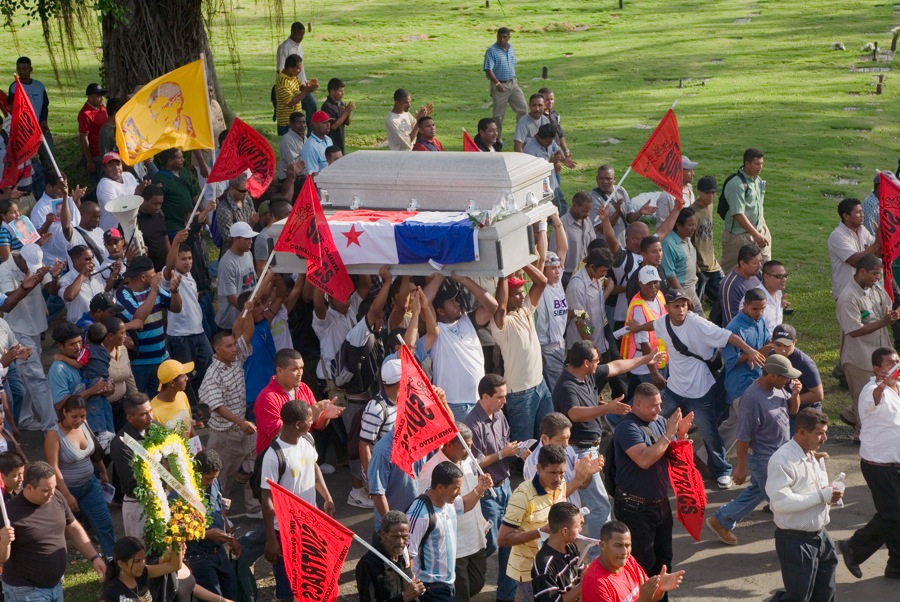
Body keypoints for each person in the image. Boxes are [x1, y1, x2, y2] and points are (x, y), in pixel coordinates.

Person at [553, 340, 657, 539]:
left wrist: (645, 358)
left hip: (589, 448)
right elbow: (574, 413)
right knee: (599, 506)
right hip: (579, 451)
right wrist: (607, 408)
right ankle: (600, 558)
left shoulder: (587, 374)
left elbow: (617, 366)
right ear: (585, 363)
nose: (599, 363)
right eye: (596, 360)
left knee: (588, 504)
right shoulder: (567, 386)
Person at [707, 355, 800, 546]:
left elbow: (792, 411)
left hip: (780, 453)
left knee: (758, 491)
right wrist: (741, 467)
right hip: (764, 459)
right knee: (781, 503)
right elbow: (743, 437)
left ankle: (721, 520)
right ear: (772, 375)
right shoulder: (751, 399)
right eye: (785, 377)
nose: (789, 380)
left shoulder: (780, 388)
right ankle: (795, 540)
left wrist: (796, 395)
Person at [611, 383, 692, 597]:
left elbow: (673, 457)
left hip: (660, 505)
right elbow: (644, 459)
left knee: (664, 563)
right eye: (653, 406)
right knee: (642, 568)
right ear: (637, 403)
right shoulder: (627, 428)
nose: (659, 410)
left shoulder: (660, 423)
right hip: (635, 508)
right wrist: (668, 435)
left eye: (660, 404)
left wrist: (681, 436)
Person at [260, 400, 335, 602]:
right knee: (287, 584)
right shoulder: (273, 456)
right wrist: (271, 538)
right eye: (309, 419)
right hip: (284, 531)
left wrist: (326, 497)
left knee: (311, 576)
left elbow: (314, 467)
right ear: (297, 424)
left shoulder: (307, 440)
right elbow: (266, 500)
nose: (313, 422)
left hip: (309, 525)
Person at [0, 461, 106, 599]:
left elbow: (73, 528)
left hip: (55, 586)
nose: (51, 493)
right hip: (26, 591)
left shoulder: (57, 496)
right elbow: (2, 559)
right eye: (45, 490)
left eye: (53, 487)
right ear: (29, 488)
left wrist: (94, 557)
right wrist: (4, 542)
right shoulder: (9, 513)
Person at [838, 346, 900, 581]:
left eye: (898, 361)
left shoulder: (898, 389)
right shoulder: (871, 390)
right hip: (879, 466)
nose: (896, 365)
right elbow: (873, 401)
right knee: (892, 515)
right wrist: (882, 385)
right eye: (890, 363)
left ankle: (896, 565)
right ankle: (854, 547)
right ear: (877, 369)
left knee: (897, 516)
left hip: (897, 464)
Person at [463, 373, 526, 602]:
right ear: (485, 396)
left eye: (505, 396)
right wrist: (502, 454)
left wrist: (520, 451)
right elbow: (473, 462)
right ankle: (462, 577)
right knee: (487, 544)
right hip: (487, 493)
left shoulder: (499, 415)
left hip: (505, 487)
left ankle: (505, 597)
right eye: (500, 397)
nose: (504, 401)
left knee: (509, 545)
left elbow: (505, 444)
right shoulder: (471, 423)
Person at [766, 408, 839, 602]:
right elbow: (780, 502)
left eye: (825, 432)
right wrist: (822, 496)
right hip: (795, 541)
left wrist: (831, 495)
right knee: (798, 597)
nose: (824, 438)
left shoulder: (811, 454)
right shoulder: (782, 460)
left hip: (821, 536)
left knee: (826, 591)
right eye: (819, 433)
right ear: (801, 432)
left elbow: (814, 490)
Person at [417, 424, 491, 602]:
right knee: (460, 593)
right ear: (449, 444)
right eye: (465, 445)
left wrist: (481, 519)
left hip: (475, 536)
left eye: (470, 444)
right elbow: (430, 507)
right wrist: (478, 491)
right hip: (454, 545)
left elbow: (469, 495)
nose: (469, 450)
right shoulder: (432, 469)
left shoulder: (467, 460)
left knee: (477, 583)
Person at [200, 305, 261, 519]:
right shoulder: (212, 374)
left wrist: (249, 312)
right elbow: (217, 407)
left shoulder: (236, 358)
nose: (234, 348)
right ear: (217, 349)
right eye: (229, 346)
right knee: (220, 477)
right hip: (224, 435)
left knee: (256, 466)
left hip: (243, 427)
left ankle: (254, 508)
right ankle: (216, 516)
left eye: (234, 344)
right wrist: (240, 422)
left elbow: (247, 334)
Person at [499, 444, 581, 601]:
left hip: (554, 566)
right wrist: (541, 531)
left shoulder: (560, 485)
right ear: (538, 468)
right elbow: (503, 539)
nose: (558, 479)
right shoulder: (522, 496)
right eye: (552, 473)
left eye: (562, 473)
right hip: (529, 571)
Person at [44, 394, 116, 559]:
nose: (78, 420)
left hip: (90, 484)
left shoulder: (85, 425)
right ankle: (55, 562)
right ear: (64, 413)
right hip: (67, 488)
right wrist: (67, 495)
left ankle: (112, 560)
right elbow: (53, 467)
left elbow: (94, 453)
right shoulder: (54, 435)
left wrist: (103, 471)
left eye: (82, 416)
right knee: (60, 530)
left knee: (105, 523)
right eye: (74, 416)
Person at [0, 243, 64, 430]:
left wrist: (55, 276)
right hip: (18, 330)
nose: (32, 270)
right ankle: (51, 425)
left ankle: (25, 418)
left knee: (26, 376)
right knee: (36, 377)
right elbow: (7, 305)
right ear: (20, 259)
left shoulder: (35, 260)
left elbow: (51, 291)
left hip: (36, 326)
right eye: (28, 265)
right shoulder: (4, 270)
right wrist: (25, 286)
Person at [836, 254, 897, 440]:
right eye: (874, 274)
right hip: (859, 358)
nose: (878, 278)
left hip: (881, 353)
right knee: (864, 397)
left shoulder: (875, 287)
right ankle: (861, 434)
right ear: (862, 272)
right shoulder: (848, 298)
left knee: (883, 392)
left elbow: (887, 305)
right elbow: (853, 331)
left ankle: (850, 414)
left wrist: (892, 315)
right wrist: (884, 322)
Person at [423, 274, 498, 419]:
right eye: (451, 302)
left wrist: (465, 280)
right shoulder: (435, 329)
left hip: (480, 401)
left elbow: (492, 306)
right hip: (453, 405)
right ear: (440, 311)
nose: (457, 303)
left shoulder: (467, 319)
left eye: (456, 299)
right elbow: (424, 300)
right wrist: (441, 273)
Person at [491, 267, 553, 442]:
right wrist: (503, 271)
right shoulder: (500, 324)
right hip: (520, 393)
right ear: (506, 295)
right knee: (523, 447)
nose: (522, 296)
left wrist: (521, 261)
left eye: (522, 292)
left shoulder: (525, 309)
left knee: (547, 436)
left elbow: (542, 282)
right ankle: (522, 470)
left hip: (540, 385)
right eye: (517, 294)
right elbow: (501, 308)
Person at [164, 231, 213, 426]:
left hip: (198, 332)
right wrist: (175, 241)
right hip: (180, 336)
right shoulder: (171, 276)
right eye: (182, 259)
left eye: (190, 258)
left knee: (207, 365)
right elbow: (168, 266)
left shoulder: (190, 275)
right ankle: (191, 412)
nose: (187, 262)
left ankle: (193, 400)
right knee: (183, 374)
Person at [116, 255, 182, 395]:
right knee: (140, 403)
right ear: (143, 277)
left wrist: (175, 291)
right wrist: (153, 292)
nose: (156, 277)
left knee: (164, 399)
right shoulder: (123, 294)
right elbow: (138, 320)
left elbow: (176, 308)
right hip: (140, 363)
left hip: (162, 358)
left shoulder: (155, 290)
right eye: (153, 275)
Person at [581, 521, 685, 602]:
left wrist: (660, 588)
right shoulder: (596, 584)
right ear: (603, 545)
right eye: (618, 545)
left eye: (627, 545)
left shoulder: (628, 560)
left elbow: (650, 598)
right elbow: (644, 599)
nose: (624, 552)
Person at [185, 449, 239, 600]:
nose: (211, 482)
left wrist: (230, 537)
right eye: (208, 478)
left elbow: (220, 510)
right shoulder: (182, 493)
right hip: (199, 557)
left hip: (219, 551)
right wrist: (207, 534)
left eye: (214, 477)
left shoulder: (214, 482)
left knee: (231, 594)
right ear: (196, 470)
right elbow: (178, 531)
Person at [357, 359, 402, 508]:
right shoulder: (376, 409)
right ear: (399, 383)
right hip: (382, 470)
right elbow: (364, 445)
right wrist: (372, 479)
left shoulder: (401, 401)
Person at [619, 265, 668, 399]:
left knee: (636, 397)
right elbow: (644, 343)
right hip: (647, 365)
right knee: (654, 399)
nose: (653, 286)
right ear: (640, 284)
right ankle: (615, 416)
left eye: (655, 282)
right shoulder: (639, 308)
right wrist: (654, 373)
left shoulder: (659, 296)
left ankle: (615, 417)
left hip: (657, 359)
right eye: (648, 283)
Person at [356, 510, 427, 602]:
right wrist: (403, 598)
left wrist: (415, 592)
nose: (401, 542)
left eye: (405, 537)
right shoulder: (368, 565)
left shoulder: (402, 556)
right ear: (383, 535)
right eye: (395, 537)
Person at [720, 147, 771, 272]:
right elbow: (738, 214)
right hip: (739, 237)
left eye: (762, 164)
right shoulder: (737, 184)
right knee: (731, 272)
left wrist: (763, 228)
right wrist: (755, 234)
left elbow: (758, 205)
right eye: (757, 164)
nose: (760, 167)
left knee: (765, 270)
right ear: (747, 164)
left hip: (759, 233)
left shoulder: (757, 181)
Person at [597, 211, 649, 331]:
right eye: (644, 238)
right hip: (625, 318)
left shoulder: (649, 253)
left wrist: (677, 210)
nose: (649, 241)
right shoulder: (624, 258)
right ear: (632, 239)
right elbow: (612, 240)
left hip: (646, 314)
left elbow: (663, 231)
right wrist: (605, 221)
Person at [110, 397, 154, 538]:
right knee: (141, 552)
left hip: (159, 497)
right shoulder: (121, 443)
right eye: (143, 414)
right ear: (130, 418)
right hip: (138, 504)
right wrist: (161, 468)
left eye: (150, 411)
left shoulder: (153, 428)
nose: (150, 417)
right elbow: (133, 481)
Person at [100, 536, 185, 602]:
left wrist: (177, 542)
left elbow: (174, 566)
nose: (142, 564)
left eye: (143, 559)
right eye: (137, 561)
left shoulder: (143, 572)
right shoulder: (111, 593)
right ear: (121, 564)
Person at [523, 413, 582, 506]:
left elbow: (582, 486)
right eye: (560, 439)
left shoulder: (568, 449)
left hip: (573, 514)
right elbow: (548, 499)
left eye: (568, 438)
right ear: (545, 438)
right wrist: (579, 479)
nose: (566, 444)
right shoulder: (535, 462)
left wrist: (587, 472)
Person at [531, 501, 583, 602]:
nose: (580, 529)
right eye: (577, 527)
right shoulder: (545, 564)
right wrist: (583, 585)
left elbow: (580, 575)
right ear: (564, 531)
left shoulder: (571, 548)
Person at [828, 197, 878, 300]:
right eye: (858, 212)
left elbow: (877, 252)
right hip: (846, 294)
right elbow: (856, 261)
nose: (862, 215)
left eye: (862, 211)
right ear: (846, 216)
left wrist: (884, 240)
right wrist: (878, 242)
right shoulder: (837, 236)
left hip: (864, 291)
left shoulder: (862, 230)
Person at [483, 27, 527, 138]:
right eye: (499, 37)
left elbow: (513, 63)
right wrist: (497, 83)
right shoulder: (491, 51)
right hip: (500, 85)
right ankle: (496, 139)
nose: (502, 39)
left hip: (512, 83)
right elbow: (488, 69)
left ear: (509, 37)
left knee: (523, 108)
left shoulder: (511, 48)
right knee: (498, 116)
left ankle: (521, 135)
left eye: (504, 37)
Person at [536, 246, 569, 390]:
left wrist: (557, 223)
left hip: (559, 344)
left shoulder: (558, 283)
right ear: (543, 270)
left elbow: (564, 248)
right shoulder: (540, 287)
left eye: (558, 267)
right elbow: (539, 262)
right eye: (553, 268)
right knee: (556, 388)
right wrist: (543, 227)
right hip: (545, 346)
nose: (558, 271)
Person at [215, 221, 258, 333]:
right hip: (231, 323)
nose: (251, 241)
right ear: (235, 239)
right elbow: (232, 298)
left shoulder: (248, 254)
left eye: (251, 238)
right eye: (246, 239)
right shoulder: (227, 263)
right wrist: (249, 311)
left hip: (247, 317)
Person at [660, 207, 702, 312]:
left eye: (694, 224)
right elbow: (669, 274)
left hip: (692, 290)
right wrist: (683, 297)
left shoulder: (687, 237)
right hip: (680, 293)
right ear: (678, 225)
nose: (694, 228)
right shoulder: (669, 244)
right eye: (690, 225)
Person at [151, 148, 200, 236]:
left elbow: (194, 194)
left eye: (182, 157)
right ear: (169, 161)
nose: (183, 160)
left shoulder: (184, 172)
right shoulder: (159, 179)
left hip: (190, 220)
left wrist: (203, 212)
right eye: (179, 158)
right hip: (173, 225)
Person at [692, 175, 725, 307]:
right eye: (707, 193)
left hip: (712, 263)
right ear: (699, 191)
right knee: (696, 304)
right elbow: (687, 241)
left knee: (722, 297)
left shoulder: (710, 207)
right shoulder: (692, 212)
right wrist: (695, 266)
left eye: (713, 193)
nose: (710, 196)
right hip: (699, 266)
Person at [551, 192, 595, 285]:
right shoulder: (561, 225)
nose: (587, 214)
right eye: (584, 211)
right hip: (568, 276)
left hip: (587, 273)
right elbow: (554, 254)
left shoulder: (587, 221)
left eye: (589, 211)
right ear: (574, 205)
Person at [713, 243, 762, 327]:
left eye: (760, 261)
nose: (759, 266)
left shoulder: (756, 273)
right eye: (755, 263)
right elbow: (731, 321)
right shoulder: (731, 286)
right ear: (742, 264)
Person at [94, 152, 142, 231]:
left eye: (118, 164)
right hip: (113, 231)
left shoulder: (128, 175)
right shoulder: (105, 184)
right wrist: (137, 194)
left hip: (132, 226)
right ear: (104, 168)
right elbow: (117, 210)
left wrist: (146, 191)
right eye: (111, 165)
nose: (116, 168)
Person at [591, 165, 637, 247]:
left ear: (614, 179)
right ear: (596, 179)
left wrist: (641, 212)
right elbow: (601, 229)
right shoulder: (594, 198)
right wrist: (618, 212)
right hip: (606, 247)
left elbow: (629, 218)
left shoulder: (621, 190)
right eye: (601, 178)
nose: (605, 182)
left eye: (608, 179)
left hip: (623, 245)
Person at [59, 244, 107, 323]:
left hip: (98, 323)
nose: (92, 261)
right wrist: (82, 274)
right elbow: (69, 296)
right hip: (79, 325)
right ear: (75, 261)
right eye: (87, 259)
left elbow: (104, 292)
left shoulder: (96, 274)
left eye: (92, 257)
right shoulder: (65, 279)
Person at [151, 359, 195, 438]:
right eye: (183, 376)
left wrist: (200, 447)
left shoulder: (182, 395)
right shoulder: (154, 413)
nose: (187, 379)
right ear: (172, 383)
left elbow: (189, 425)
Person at [275, 54, 317, 136]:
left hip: (296, 120)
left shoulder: (292, 76)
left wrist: (309, 87)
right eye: (298, 68)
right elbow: (290, 102)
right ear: (290, 68)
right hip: (287, 123)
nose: (300, 71)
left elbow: (300, 87)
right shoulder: (283, 82)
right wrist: (306, 91)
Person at [78, 83, 108, 189]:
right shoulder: (85, 114)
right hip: (95, 154)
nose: (101, 98)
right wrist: (89, 160)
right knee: (98, 186)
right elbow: (83, 138)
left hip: (105, 150)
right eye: (99, 96)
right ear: (91, 97)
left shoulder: (102, 107)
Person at [136, 184, 170, 271]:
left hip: (164, 268)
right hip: (147, 270)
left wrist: (171, 261)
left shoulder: (160, 215)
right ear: (143, 200)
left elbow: (165, 239)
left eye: (160, 203)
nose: (158, 207)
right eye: (154, 203)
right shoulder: (135, 220)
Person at [655, 156, 697, 224]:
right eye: (689, 170)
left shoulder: (689, 188)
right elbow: (662, 225)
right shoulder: (666, 196)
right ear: (679, 172)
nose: (693, 174)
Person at [752, 260, 788, 336]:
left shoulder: (778, 292)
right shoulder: (754, 298)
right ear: (766, 277)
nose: (784, 279)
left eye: (785, 275)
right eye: (779, 276)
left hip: (778, 340)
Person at [321, 78, 354, 154]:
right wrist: (346, 112)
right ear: (332, 91)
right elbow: (333, 126)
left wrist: (348, 112)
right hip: (332, 143)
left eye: (343, 91)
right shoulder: (327, 106)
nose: (343, 93)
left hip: (341, 142)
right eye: (340, 91)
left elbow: (347, 122)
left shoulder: (340, 103)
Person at [301, 111, 334, 176]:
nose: (328, 125)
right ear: (314, 124)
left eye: (329, 122)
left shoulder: (328, 139)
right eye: (324, 122)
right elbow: (312, 175)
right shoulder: (310, 147)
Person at [277, 111, 306, 181]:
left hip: (302, 175)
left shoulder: (305, 138)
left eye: (304, 122)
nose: (302, 126)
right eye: (298, 123)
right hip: (288, 179)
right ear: (291, 124)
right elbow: (294, 164)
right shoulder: (287, 139)